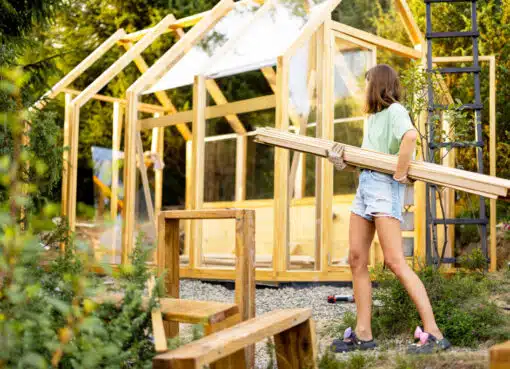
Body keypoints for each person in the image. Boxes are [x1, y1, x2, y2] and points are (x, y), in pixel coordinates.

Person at [328, 64, 451, 354]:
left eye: (367, 81)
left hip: (384, 189)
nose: (364, 87)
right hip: (366, 188)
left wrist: (399, 173)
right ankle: (363, 333)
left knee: (395, 262)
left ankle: (434, 333)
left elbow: (410, 138)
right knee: (356, 258)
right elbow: (368, 158)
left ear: (377, 84)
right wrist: (341, 162)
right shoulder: (372, 118)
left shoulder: (396, 111)